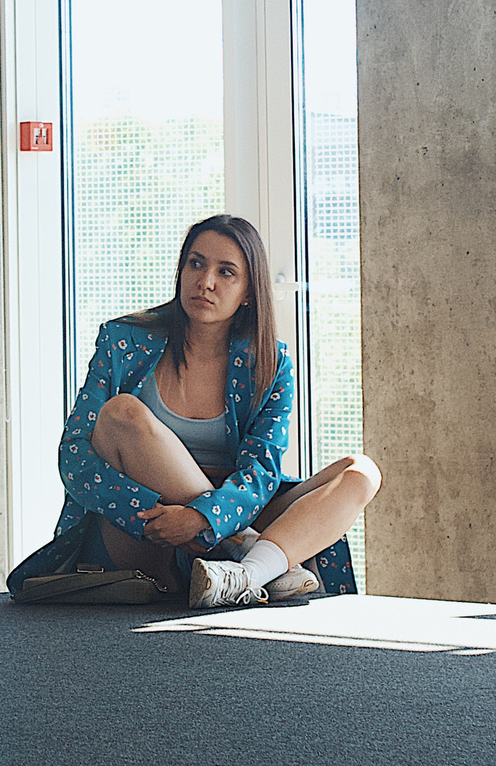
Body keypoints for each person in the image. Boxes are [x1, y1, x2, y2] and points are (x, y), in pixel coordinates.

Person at [55, 213, 381, 608]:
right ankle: (252, 552)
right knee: (122, 413)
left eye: (226, 272)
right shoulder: (124, 341)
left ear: (247, 291)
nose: (205, 281)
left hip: (230, 510)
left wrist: (206, 518)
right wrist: (162, 515)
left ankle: (247, 572)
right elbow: (75, 455)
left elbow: (261, 473)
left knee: (361, 473)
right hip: (144, 529)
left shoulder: (270, 363)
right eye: (196, 263)